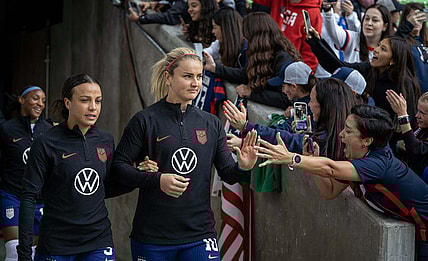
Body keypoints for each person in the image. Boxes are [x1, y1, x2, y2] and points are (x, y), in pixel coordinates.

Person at [111, 47, 258, 261]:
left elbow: (228, 173)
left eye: (199, 76)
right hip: (153, 237)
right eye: (188, 76)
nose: (195, 83)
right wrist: (156, 180)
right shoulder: (145, 120)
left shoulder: (211, 123)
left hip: (200, 234)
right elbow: (118, 167)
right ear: (168, 78)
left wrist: (243, 166)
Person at [255, 104, 428, 260]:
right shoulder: (362, 158)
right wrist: (312, 161)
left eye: (348, 131)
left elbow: (330, 168)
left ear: (366, 141)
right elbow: (329, 191)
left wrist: (291, 158)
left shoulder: (377, 164)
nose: (341, 135)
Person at [17, 74, 118, 260]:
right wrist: (24, 252)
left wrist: (143, 174)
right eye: (85, 100)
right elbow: (29, 197)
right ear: (68, 103)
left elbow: (107, 186)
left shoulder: (106, 140)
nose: (93, 107)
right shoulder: (46, 142)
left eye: (98, 101)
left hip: (98, 240)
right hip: (57, 243)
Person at [224, 78, 358, 162]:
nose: (309, 106)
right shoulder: (314, 122)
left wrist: (246, 127)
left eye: (312, 101)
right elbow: (284, 132)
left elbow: (288, 140)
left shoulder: (324, 138)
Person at [307, 30, 421, 124]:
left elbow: (408, 119)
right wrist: (317, 42)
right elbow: (338, 66)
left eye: (383, 49)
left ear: (393, 60)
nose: (376, 50)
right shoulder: (370, 69)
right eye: (378, 45)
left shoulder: (405, 84)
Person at [217, 0, 322, 71]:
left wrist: (302, 79)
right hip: (266, 62)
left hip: (288, 70)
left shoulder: (312, 13)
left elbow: (311, 53)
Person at [204, 12, 302, 109]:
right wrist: (215, 68)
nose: (247, 42)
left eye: (248, 38)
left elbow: (286, 98)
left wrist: (252, 93)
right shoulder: (261, 54)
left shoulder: (284, 58)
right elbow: (244, 75)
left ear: (257, 38)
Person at [0, 86, 52, 261]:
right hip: (12, 195)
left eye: (43, 101)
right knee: (15, 251)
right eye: (35, 98)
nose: (40, 104)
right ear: (22, 100)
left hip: (39, 199)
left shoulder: (49, 130)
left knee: (34, 251)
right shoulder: (7, 129)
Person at [195, 7, 247, 114]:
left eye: (215, 27)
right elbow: (206, 52)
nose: (213, 32)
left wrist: (216, 68)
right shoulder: (219, 44)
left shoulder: (246, 49)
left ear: (226, 28)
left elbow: (244, 75)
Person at [321, 0, 391, 63]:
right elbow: (332, 31)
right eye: (366, 19)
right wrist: (327, 9)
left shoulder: (391, 49)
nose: (369, 23)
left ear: (385, 26)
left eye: (375, 20)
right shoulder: (352, 39)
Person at [386, 90, 428, 183]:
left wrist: (403, 116)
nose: (417, 115)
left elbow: (415, 150)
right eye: (418, 111)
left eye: (423, 113)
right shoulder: (419, 124)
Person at [395, 3, 428, 93]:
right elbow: (394, 43)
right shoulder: (402, 41)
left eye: (419, 17)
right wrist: (408, 25)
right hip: (414, 94)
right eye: (412, 17)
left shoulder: (426, 40)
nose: (416, 20)